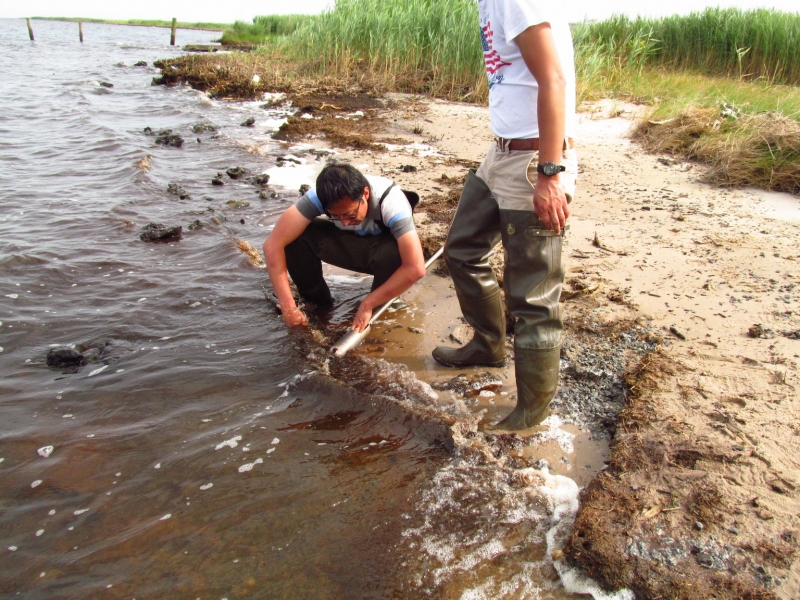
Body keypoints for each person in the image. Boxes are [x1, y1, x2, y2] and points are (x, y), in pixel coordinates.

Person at [432, 0, 579, 431]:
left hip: (534, 160)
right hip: (501, 153)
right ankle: (488, 345)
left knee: (532, 297)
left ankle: (532, 412)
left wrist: (550, 174)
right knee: (461, 250)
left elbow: (553, 77)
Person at [264, 163, 426, 333]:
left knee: (394, 254)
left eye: (350, 214)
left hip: (383, 254)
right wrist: (288, 306)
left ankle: (383, 303)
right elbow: (273, 245)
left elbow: (415, 268)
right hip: (351, 245)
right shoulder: (321, 195)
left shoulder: (392, 203)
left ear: (365, 193)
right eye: (335, 216)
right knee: (295, 236)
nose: (345, 222)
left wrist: (367, 304)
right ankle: (317, 302)